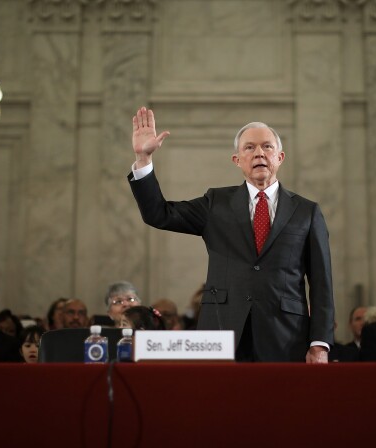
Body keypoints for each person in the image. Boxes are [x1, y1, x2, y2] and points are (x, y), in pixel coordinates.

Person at [128, 107, 335, 363]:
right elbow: (159, 214)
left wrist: (320, 343)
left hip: (286, 335)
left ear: (280, 157)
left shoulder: (307, 211)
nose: (259, 153)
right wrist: (143, 160)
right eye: (249, 147)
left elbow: (322, 283)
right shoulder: (216, 202)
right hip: (221, 330)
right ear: (237, 160)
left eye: (267, 147)